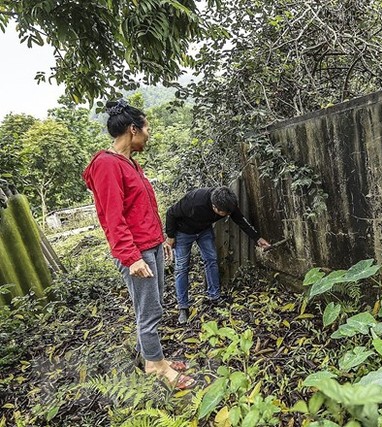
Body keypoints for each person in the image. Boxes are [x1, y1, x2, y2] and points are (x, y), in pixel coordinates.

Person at [82, 99, 194, 390]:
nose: (149, 135)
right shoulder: (106, 165)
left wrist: (160, 240)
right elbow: (112, 217)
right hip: (136, 252)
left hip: (150, 245)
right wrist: (131, 257)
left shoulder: (130, 163)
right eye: (147, 129)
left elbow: (142, 209)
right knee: (149, 311)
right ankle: (154, 367)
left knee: (154, 306)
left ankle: (156, 358)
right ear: (133, 129)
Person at [164, 186, 271, 323]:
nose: (227, 215)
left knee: (211, 260)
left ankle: (214, 296)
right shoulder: (195, 200)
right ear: (215, 207)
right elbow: (171, 213)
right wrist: (171, 237)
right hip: (184, 232)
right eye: (224, 213)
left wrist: (257, 238)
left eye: (228, 212)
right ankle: (183, 307)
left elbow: (240, 220)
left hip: (204, 231)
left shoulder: (227, 203)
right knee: (182, 267)